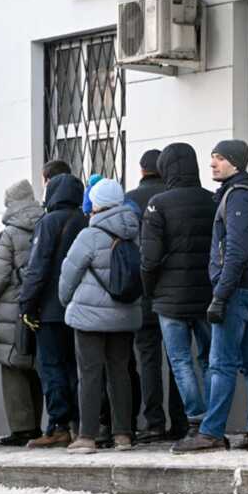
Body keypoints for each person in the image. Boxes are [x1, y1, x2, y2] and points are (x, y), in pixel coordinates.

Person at [172, 140, 248, 454]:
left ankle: (212, 432)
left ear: (237, 162)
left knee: (221, 364)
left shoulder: (239, 197)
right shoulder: (242, 193)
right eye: (212, 157)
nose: (212, 164)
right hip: (247, 289)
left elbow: (237, 252)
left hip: (236, 291)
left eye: (220, 158)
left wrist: (221, 295)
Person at [59, 179, 142, 454]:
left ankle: (87, 436)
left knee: (90, 374)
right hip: (125, 315)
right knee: (121, 373)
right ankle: (123, 435)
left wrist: (65, 301)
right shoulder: (134, 232)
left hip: (89, 316)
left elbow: (68, 274)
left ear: (95, 203)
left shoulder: (89, 236)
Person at [141, 143, 214, 440]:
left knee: (180, 361)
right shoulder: (213, 200)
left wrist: (151, 293)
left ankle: (196, 419)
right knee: (210, 359)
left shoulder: (158, 204)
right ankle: (213, 420)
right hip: (208, 296)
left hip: (169, 300)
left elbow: (149, 259)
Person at [19, 173, 87, 448]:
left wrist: (26, 303)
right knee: (75, 367)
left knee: (51, 366)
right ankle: (79, 423)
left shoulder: (47, 223)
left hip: (49, 308)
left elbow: (37, 267)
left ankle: (58, 425)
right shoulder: (85, 221)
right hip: (80, 307)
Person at [127, 149, 188, 443]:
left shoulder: (130, 200)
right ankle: (180, 420)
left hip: (142, 293)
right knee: (179, 358)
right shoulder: (174, 198)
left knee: (148, 358)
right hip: (175, 292)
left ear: (141, 170)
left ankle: (153, 422)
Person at [0, 180, 45, 447]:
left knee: (12, 367)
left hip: (11, 307)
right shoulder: (45, 222)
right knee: (34, 364)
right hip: (38, 305)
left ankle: (23, 428)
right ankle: (37, 424)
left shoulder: (9, 233)